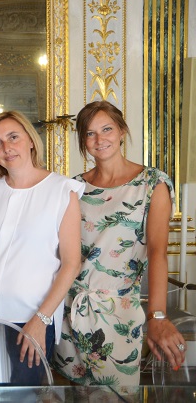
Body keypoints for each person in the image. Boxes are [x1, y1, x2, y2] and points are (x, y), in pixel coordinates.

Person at [53, 100, 186, 385]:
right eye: (90, 133)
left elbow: (158, 252)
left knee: (116, 394)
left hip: (120, 313)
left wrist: (158, 316)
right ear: (83, 140)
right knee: (67, 394)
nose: (99, 139)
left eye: (107, 129)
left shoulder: (152, 183)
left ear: (122, 131)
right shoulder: (73, 187)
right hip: (69, 310)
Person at [0, 111, 83, 385]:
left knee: (25, 396)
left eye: (13, 137)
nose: (6, 147)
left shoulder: (63, 191)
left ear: (30, 140)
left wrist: (41, 319)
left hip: (31, 319)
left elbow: (71, 263)